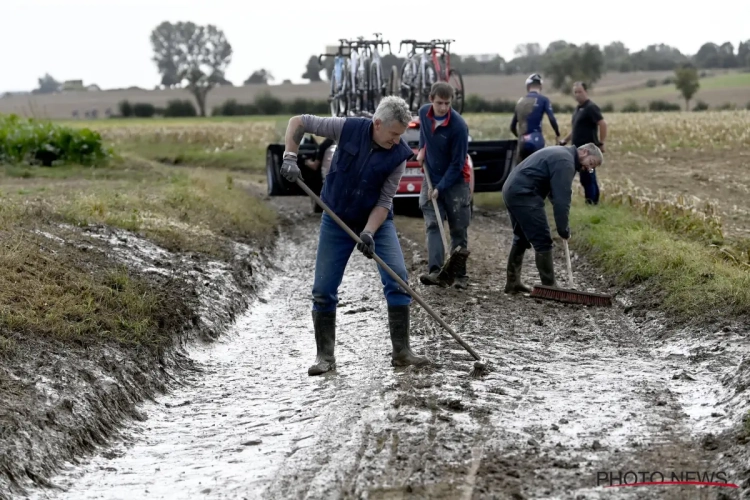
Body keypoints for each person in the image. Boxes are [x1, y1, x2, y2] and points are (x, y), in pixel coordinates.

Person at [278, 96, 430, 376]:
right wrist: (290, 156)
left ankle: (402, 352)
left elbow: (385, 202)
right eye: (394, 134)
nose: (397, 140)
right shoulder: (346, 127)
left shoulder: (398, 156)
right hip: (335, 218)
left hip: (377, 223)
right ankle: (325, 357)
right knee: (323, 290)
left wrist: (369, 232)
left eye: (402, 135)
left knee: (398, 279)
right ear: (377, 123)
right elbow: (298, 122)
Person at [501, 143, 603, 293]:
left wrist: (561, 221)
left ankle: (513, 283)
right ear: (584, 152)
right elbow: (562, 199)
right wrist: (563, 228)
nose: (589, 169)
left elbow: (553, 190)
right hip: (524, 194)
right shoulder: (566, 162)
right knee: (542, 240)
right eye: (591, 163)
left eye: (592, 167)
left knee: (521, 237)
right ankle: (549, 287)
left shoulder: (562, 154)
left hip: (513, 189)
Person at [415, 81, 471, 289]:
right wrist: (422, 149)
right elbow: (424, 134)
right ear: (431, 100)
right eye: (439, 103)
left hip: (456, 181)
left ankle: (459, 276)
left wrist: (440, 187)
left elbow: (458, 163)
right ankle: (435, 271)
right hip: (430, 176)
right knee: (433, 224)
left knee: (458, 227)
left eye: (447, 103)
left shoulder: (458, 126)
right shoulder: (423, 113)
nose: (443, 108)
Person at [559, 81, 608, 205]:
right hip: (578, 150)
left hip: (588, 151)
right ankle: (592, 201)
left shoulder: (591, 107)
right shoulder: (578, 109)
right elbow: (575, 129)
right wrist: (565, 140)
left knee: (589, 176)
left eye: (580, 91)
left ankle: (592, 203)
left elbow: (602, 124)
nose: (577, 94)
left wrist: (601, 143)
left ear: (586, 91)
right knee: (585, 178)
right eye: (575, 92)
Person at [510, 74, 561, 162]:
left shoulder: (521, 101)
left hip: (522, 141)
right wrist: (557, 133)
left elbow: (512, 127)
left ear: (528, 86)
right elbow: (552, 119)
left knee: (521, 169)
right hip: (536, 139)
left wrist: (519, 136)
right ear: (540, 86)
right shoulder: (543, 100)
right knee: (538, 167)